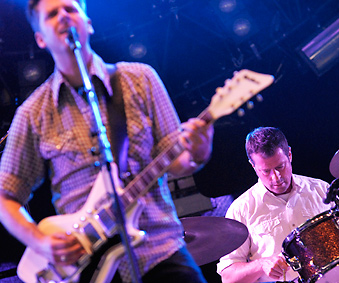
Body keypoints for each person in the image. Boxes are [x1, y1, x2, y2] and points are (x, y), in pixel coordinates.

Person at [0, 0, 213, 282]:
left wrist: (198, 151)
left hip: (159, 251)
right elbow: (5, 196)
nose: (64, 16)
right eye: (52, 14)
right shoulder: (33, 113)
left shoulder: (140, 79)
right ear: (40, 38)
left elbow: (177, 162)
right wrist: (40, 242)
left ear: (87, 23)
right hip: (87, 267)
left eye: (71, 9)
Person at [217, 127, 333, 283]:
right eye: (266, 171)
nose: (276, 177)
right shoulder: (241, 209)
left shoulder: (321, 189)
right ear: (253, 166)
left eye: (280, 166)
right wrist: (261, 264)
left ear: (289, 154)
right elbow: (228, 277)